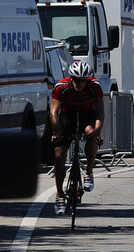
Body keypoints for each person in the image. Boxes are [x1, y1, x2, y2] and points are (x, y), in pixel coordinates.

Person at [50, 60, 104, 215]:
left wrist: (97, 132)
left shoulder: (95, 87)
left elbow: (100, 113)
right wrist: (56, 132)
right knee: (59, 154)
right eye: (76, 80)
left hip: (87, 115)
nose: (79, 84)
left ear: (87, 80)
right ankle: (60, 195)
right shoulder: (61, 87)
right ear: (71, 78)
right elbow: (54, 112)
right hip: (68, 116)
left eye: (83, 81)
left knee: (92, 135)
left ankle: (88, 172)